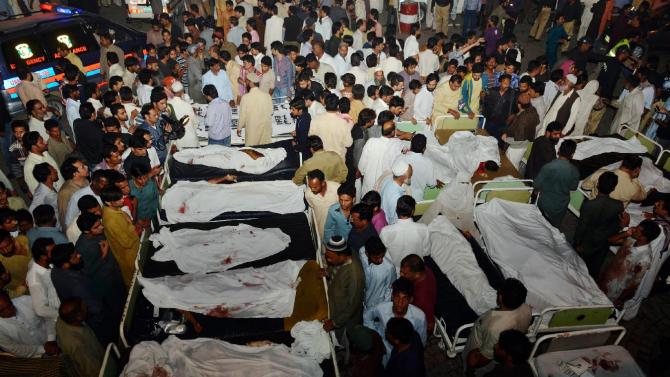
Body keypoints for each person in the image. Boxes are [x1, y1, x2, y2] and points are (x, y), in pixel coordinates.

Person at [49, 243, 114, 345]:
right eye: (75, 256)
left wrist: (102, 257)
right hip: (97, 318)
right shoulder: (76, 284)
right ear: (65, 265)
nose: (79, 255)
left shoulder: (55, 271)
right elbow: (95, 308)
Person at [464, 278, 533, 375]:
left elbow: (485, 358)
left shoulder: (494, 327)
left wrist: (470, 367)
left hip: (480, 350)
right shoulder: (527, 309)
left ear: (500, 297)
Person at [574, 172, 626, 277]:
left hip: (586, 241)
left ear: (597, 184)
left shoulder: (588, 205)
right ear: (613, 188)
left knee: (577, 266)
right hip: (603, 242)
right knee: (594, 269)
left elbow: (582, 226)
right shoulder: (618, 206)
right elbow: (615, 226)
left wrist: (577, 243)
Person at [599, 220, 662, 308]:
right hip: (605, 277)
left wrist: (621, 299)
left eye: (637, 230)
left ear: (643, 237)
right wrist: (626, 233)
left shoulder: (645, 259)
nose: (634, 229)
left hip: (614, 289)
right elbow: (610, 240)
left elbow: (634, 284)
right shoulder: (631, 239)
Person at [364, 278, 427, 364]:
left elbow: (421, 342)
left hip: (404, 359)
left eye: (405, 298)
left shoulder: (419, 317)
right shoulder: (381, 309)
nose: (400, 303)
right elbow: (366, 316)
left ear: (411, 300)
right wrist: (376, 335)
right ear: (392, 296)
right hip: (383, 355)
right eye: (397, 296)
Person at [75, 213, 125, 315]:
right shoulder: (83, 247)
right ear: (86, 231)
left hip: (114, 273)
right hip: (105, 283)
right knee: (119, 308)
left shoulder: (98, 233)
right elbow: (87, 271)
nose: (102, 227)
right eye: (96, 227)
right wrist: (104, 255)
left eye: (100, 223)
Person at [321, 235, 365, 340]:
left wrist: (335, 323)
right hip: (333, 304)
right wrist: (327, 272)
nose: (328, 260)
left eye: (331, 257)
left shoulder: (355, 276)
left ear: (342, 256)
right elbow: (335, 268)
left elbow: (352, 306)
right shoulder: (341, 258)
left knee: (339, 340)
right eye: (327, 256)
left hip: (342, 317)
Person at [534, 139, 580, 228]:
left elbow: (536, 184)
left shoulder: (549, 166)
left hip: (545, 202)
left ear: (558, 150)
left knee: (538, 225)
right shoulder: (574, 171)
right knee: (553, 229)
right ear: (572, 154)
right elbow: (574, 187)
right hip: (561, 205)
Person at [101, 186, 140, 289]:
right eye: (118, 199)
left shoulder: (114, 208)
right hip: (129, 255)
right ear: (109, 202)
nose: (122, 199)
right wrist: (136, 228)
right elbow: (126, 242)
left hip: (134, 250)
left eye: (121, 196)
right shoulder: (111, 220)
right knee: (136, 283)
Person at [0, 291, 59, 358]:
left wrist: (51, 338)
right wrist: (43, 350)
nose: (8, 311)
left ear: (9, 299)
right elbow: (14, 348)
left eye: (9, 305)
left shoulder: (26, 300)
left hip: (57, 337)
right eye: (1, 311)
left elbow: (49, 317)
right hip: (38, 356)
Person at [55, 298, 104, 377]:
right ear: (79, 317)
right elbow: (94, 371)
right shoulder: (77, 345)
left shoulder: (62, 319)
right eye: (84, 308)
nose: (87, 307)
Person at [379, 196, 430, 269]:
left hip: (395, 273)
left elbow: (382, 255)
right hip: (417, 271)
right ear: (412, 211)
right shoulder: (424, 229)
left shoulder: (385, 232)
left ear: (396, 210)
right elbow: (426, 252)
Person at [582, 155, 647, 207]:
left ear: (622, 162)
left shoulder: (601, 173)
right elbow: (643, 196)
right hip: (610, 217)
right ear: (637, 169)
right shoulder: (634, 188)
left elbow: (585, 186)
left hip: (592, 206)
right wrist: (635, 178)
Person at [26, 238, 60, 335]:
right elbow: (40, 309)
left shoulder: (43, 263)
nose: (56, 252)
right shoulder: (35, 279)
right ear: (43, 256)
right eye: (53, 251)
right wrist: (62, 315)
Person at [400, 254, 437, 333]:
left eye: (405, 274)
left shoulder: (422, 298)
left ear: (417, 274)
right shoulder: (424, 269)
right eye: (401, 271)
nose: (401, 275)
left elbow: (430, 325)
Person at [308, 94, 352, 160]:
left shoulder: (315, 120)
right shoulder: (343, 122)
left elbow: (311, 139)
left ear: (325, 104)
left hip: (321, 159)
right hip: (338, 160)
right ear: (338, 106)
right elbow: (348, 143)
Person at [400, 134, 441, 202]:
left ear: (410, 145)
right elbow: (431, 183)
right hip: (417, 200)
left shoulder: (401, 158)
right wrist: (436, 182)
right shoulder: (428, 162)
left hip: (400, 198)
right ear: (424, 148)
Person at [237, 72, 273, 146]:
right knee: (265, 151)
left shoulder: (245, 98)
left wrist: (239, 127)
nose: (246, 83)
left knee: (252, 152)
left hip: (252, 129)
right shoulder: (267, 96)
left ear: (251, 83)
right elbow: (271, 111)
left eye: (247, 81)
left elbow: (243, 115)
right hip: (265, 129)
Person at [304, 169, 340, 238]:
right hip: (321, 228)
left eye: (315, 187)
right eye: (310, 186)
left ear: (323, 183)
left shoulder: (337, 188)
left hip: (337, 227)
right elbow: (311, 205)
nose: (312, 190)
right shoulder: (308, 194)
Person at [482, 74, 515, 140]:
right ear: (500, 82)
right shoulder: (492, 90)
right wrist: (482, 96)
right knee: (486, 138)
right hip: (490, 120)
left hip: (502, 123)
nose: (506, 85)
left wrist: (511, 117)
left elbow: (514, 108)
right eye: (505, 82)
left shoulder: (512, 93)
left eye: (508, 83)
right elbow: (484, 102)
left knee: (496, 141)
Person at [0, 230, 31, 299]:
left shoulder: (24, 239)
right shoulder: (1, 261)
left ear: (12, 238)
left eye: (7, 246)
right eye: (1, 249)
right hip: (25, 297)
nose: (5, 251)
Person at [128, 164, 159, 231]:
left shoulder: (151, 184)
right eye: (140, 179)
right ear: (133, 177)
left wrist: (149, 218)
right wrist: (138, 220)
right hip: (137, 221)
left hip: (152, 216)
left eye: (145, 177)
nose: (144, 181)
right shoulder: (128, 189)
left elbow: (155, 200)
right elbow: (130, 209)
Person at [169, 81, 199, 149]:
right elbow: (195, 123)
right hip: (190, 140)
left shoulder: (168, 105)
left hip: (177, 141)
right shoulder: (187, 105)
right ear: (182, 91)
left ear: (172, 91)